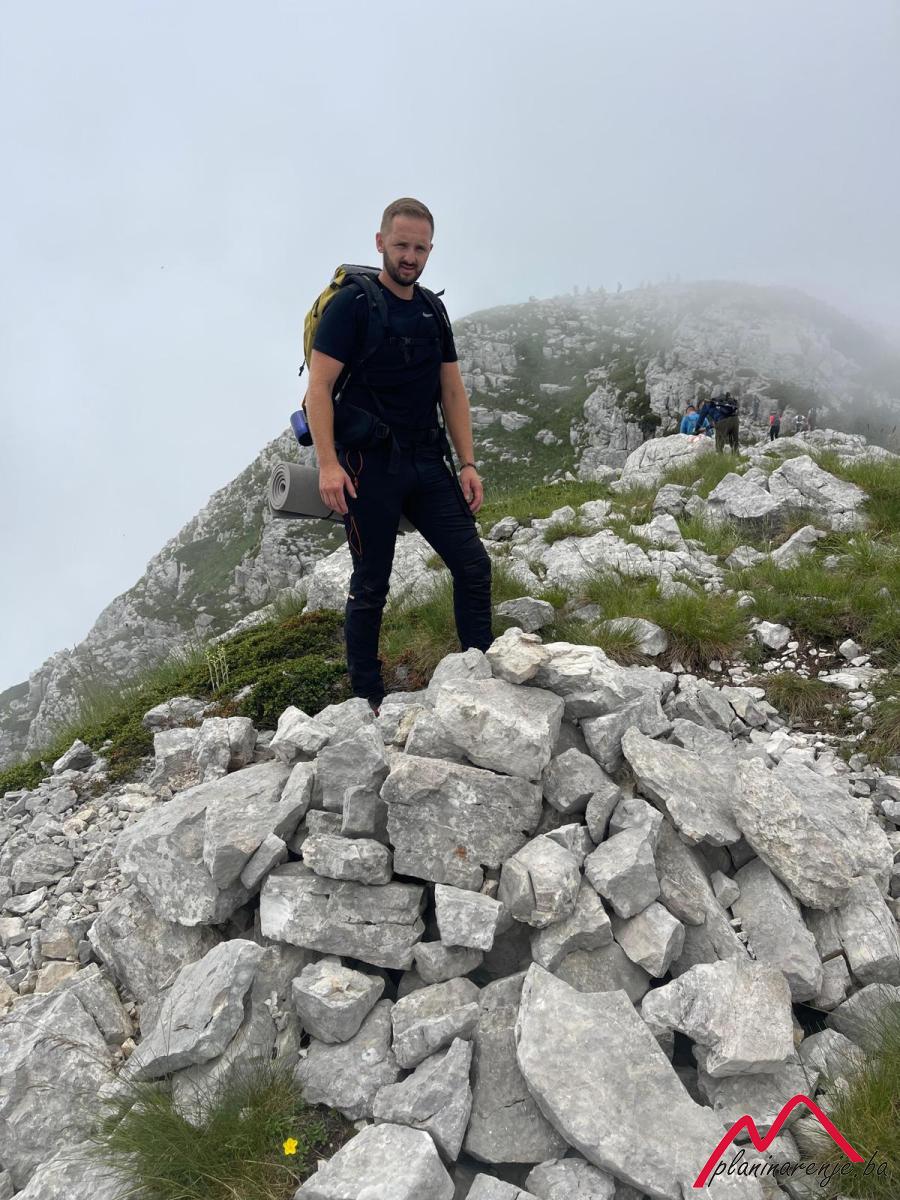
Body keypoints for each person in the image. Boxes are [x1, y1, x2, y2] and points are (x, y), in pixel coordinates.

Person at [305, 197, 492, 715]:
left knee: (473, 565)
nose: (410, 257)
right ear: (380, 242)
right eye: (401, 245)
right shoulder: (352, 305)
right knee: (371, 584)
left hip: (426, 460)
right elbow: (318, 389)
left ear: (430, 250)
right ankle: (367, 700)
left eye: (420, 248)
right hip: (367, 466)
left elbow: (452, 391)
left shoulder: (433, 309)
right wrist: (328, 465)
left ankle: (480, 672)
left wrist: (468, 463)